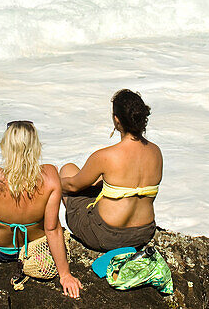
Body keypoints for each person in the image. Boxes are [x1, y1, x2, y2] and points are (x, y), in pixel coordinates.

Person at [0, 121, 82, 298]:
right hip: (34, 249)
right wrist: (65, 274)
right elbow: (52, 229)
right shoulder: (50, 176)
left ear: (5, 146)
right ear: (36, 147)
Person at [60, 89, 162, 252]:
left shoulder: (106, 156)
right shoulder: (156, 152)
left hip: (106, 236)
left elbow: (72, 186)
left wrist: (50, 183)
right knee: (100, 183)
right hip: (143, 233)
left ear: (117, 120)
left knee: (68, 170)